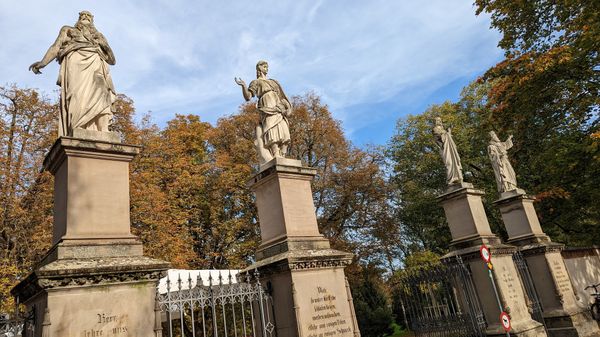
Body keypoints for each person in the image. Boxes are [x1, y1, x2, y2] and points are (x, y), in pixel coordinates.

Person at [29, 11, 116, 137]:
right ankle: (77, 126)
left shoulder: (99, 36)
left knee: (102, 93)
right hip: (75, 64)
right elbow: (56, 47)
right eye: (83, 16)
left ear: (92, 20)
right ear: (78, 19)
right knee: (76, 94)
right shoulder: (68, 30)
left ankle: (103, 130)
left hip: (95, 65)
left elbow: (112, 60)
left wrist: (103, 45)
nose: (85, 17)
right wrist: (43, 63)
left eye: (89, 16)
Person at [235, 61, 292, 164]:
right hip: (266, 105)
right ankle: (275, 153)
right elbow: (248, 97)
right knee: (271, 128)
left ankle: (283, 153)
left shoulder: (273, 81)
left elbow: (282, 96)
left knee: (284, 130)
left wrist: (285, 106)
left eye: (267, 67)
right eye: (265, 67)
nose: (267, 69)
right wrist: (243, 86)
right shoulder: (256, 82)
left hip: (278, 106)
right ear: (260, 68)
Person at [432, 117, 463, 185]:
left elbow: (447, 136)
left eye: (440, 120)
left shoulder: (443, 130)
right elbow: (439, 139)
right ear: (435, 122)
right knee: (449, 163)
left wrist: (449, 132)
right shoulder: (435, 129)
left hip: (450, 148)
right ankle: (451, 179)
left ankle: (457, 177)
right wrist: (446, 133)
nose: (439, 121)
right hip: (445, 149)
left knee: (454, 161)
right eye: (437, 120)